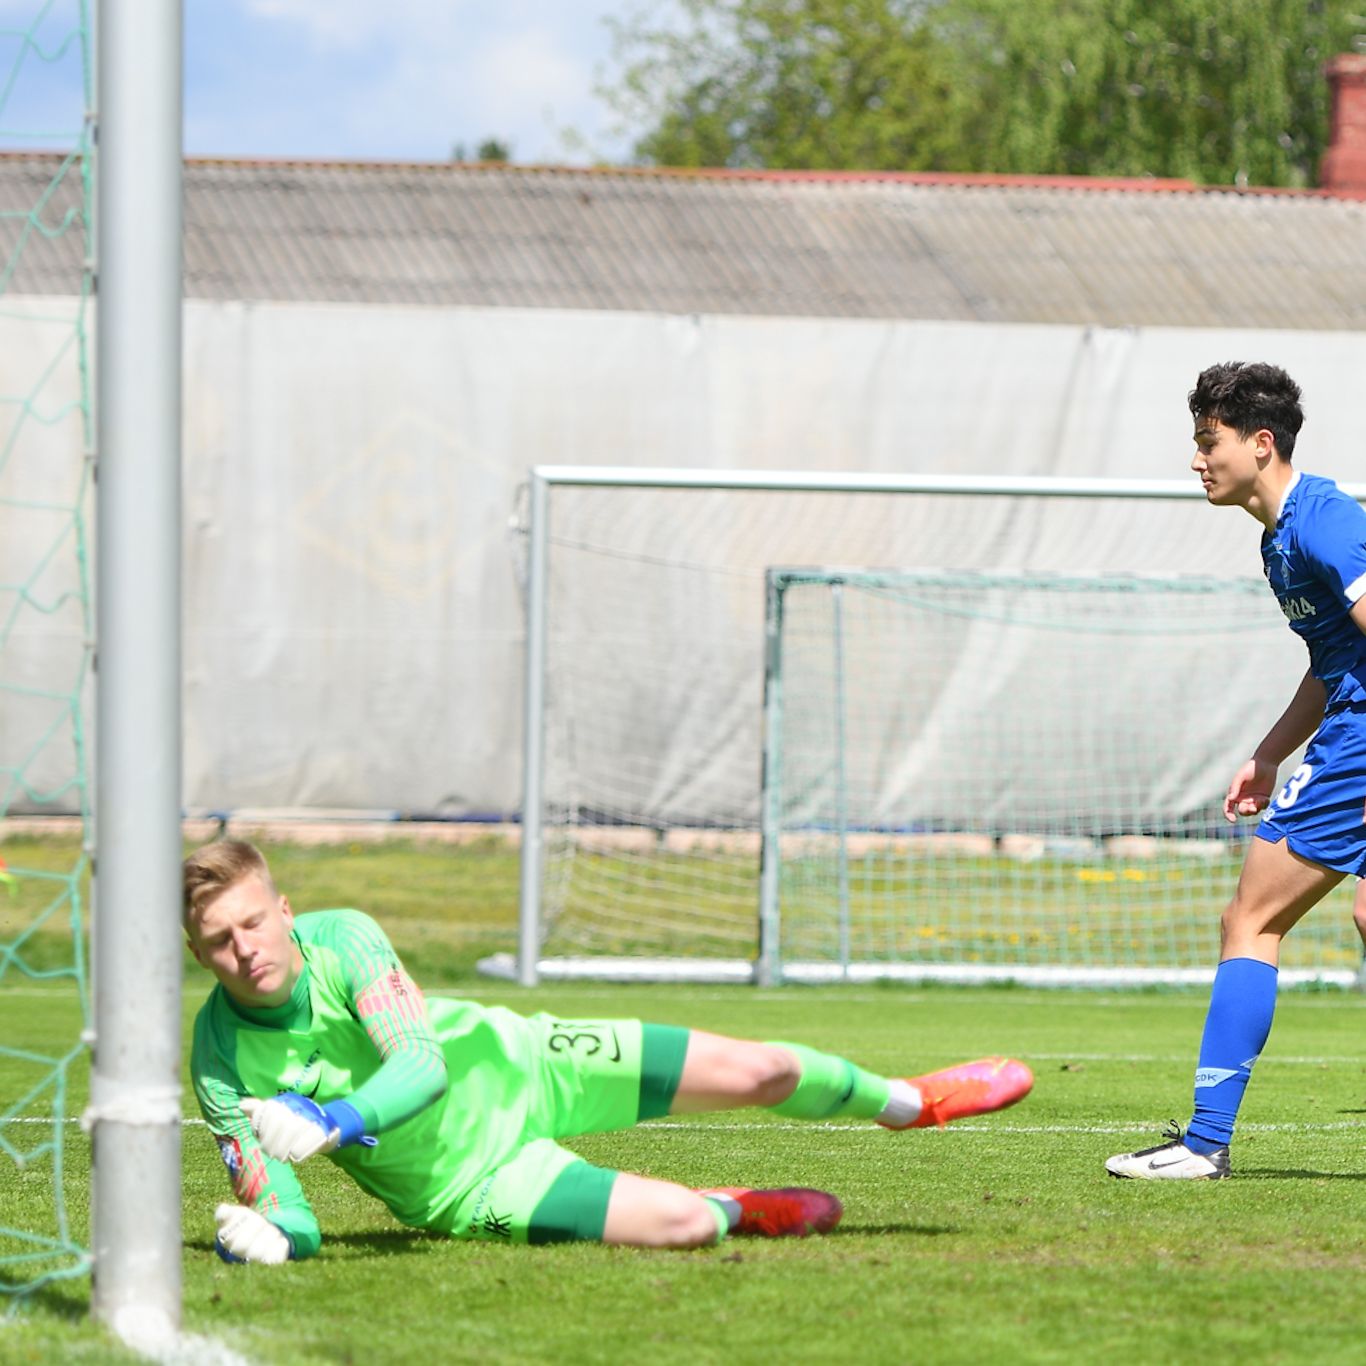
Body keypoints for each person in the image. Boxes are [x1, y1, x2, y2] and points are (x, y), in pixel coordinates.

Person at [186, 839, 1034, 1261]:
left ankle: (910, 1103)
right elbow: (281, 1201)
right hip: (469, 1187)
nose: (246, 950)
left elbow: (423, 1062)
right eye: (220, 941)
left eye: (254, 922)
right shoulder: (219, 1061)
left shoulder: (346, 940)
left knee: (761, 1070)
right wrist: (278, 1238)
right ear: (199, 955)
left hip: (531, 1060)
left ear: (285, 910)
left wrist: (337, 1118)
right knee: (685, 1223)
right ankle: (739, 1204)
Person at [1107, 361, 1366, 1181]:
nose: (1196, 460)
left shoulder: (1325, 523)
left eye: (1206, 441)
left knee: (1250, 919)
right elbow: (1335, 661)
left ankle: (1204, 1142)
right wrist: (1269, 751)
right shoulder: (1279, 541)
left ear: (1261, 444)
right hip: (1346, 727)